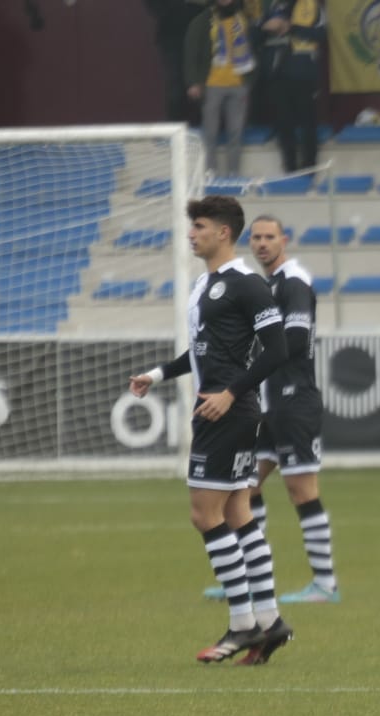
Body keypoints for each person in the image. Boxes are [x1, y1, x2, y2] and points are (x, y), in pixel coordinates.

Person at [129, 195, 295, 665]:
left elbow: (278, 348)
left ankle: (241, 625)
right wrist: (157, 375)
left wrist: (229, 392)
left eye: (199, 226)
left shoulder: (245, 285)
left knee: (205, 515)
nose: (191, 233)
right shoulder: (207, 285)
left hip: (227, 412)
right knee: (239, 513)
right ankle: (270, 621)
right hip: (230, 411)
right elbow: (201, 353)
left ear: (223, 232)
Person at [203, 215, 340, 605]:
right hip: (267, 403)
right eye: (257, 238)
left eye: (269, 237)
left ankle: (326, 585)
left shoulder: (293, 280)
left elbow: (295, 341)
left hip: (294, 401)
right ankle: (248, 578)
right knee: (247, 487)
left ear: (284, 239)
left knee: (301, 490)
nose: (262, 243)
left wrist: (247, 367)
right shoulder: (268, 284)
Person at [184, 0, 258, 178]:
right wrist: (193, 82)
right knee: (210, 134)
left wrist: (249, 83)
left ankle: (234, 174)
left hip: (239, 85)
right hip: (212, 85)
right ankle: (211, 173)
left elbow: (254, 52)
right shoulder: (203, 21)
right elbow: (191, 52)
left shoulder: (244, 20)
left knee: (236, 134)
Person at [259, 0, 326, 174]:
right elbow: (257, 36)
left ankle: (310, 170)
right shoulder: (274, 6)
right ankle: (290, 169)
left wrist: (291, 27)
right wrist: (265, 28)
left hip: (303, 74)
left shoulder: (312, 5)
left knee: (307, 124)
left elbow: (322, 35)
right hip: (277, 75)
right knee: (284, 126)